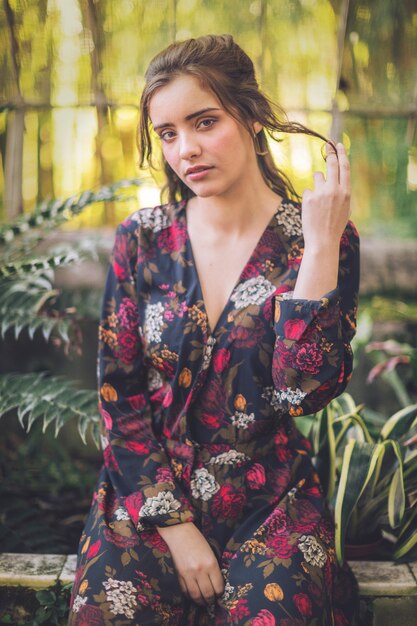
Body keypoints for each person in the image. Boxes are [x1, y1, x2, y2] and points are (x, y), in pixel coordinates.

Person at [69, 33, 360, 625]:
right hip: (149, 494)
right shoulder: (143, 240)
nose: (186, 150)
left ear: (252, 117)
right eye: (168, 134)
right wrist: (173, 525)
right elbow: (119, 400)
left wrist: (322, 246)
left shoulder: (315, 240)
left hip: (270, 496)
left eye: (205, 122)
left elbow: (304, 393)